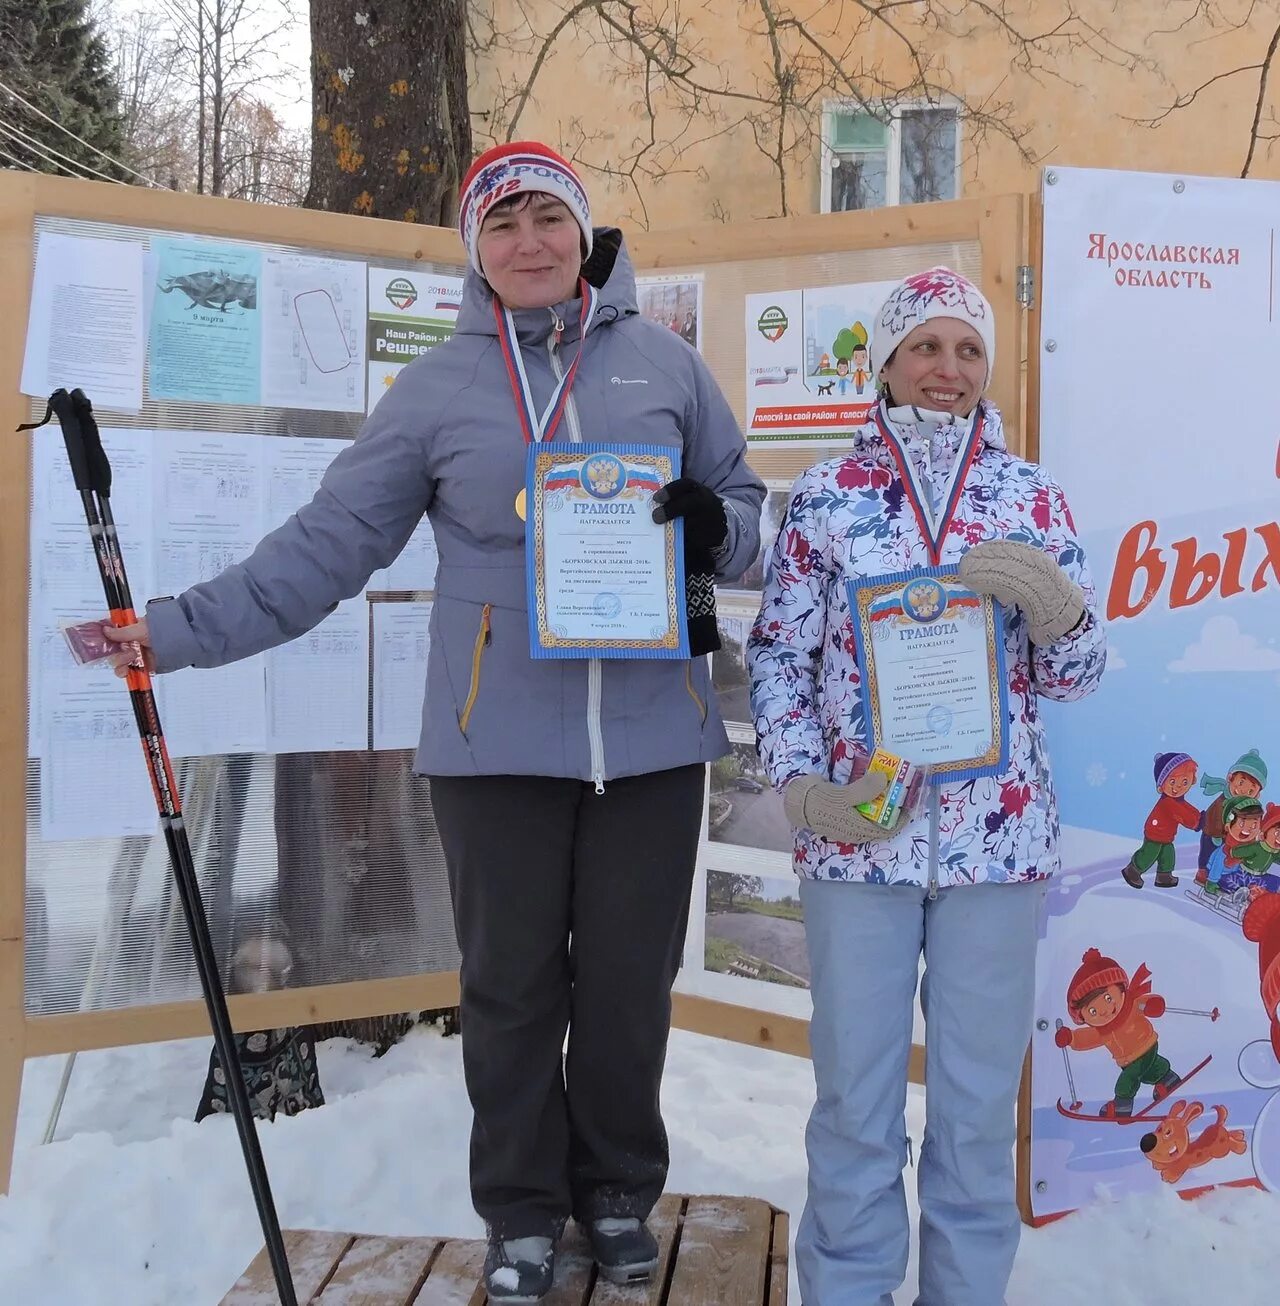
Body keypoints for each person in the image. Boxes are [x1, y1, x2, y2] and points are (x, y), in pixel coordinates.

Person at [105, 140, 764, 1304]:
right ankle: (520, 1209)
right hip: (491, 740)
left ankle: (618, 1191)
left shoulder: (666, 365)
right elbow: (326, 546)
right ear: (474, 250)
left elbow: (747, 515)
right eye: (501, 224)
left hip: (653, 739)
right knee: (510, 988)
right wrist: (177, 629)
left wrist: (717, 527)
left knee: (628, 986)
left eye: (546, 218)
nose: (527, 242)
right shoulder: (437, 389)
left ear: (582, 234)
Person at [747, 266, 1106, 1306]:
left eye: (967, 349)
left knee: (976, 1115)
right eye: (925, 346)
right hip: (857, 842)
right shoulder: (825, 497)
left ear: (986, 367)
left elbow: (1075, 677)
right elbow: (779, 655)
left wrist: (1056, 611)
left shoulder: (1030, 496)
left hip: (997, 850)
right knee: (853, 1108)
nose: (947, 368)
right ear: (886, 362)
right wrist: (803, 789)